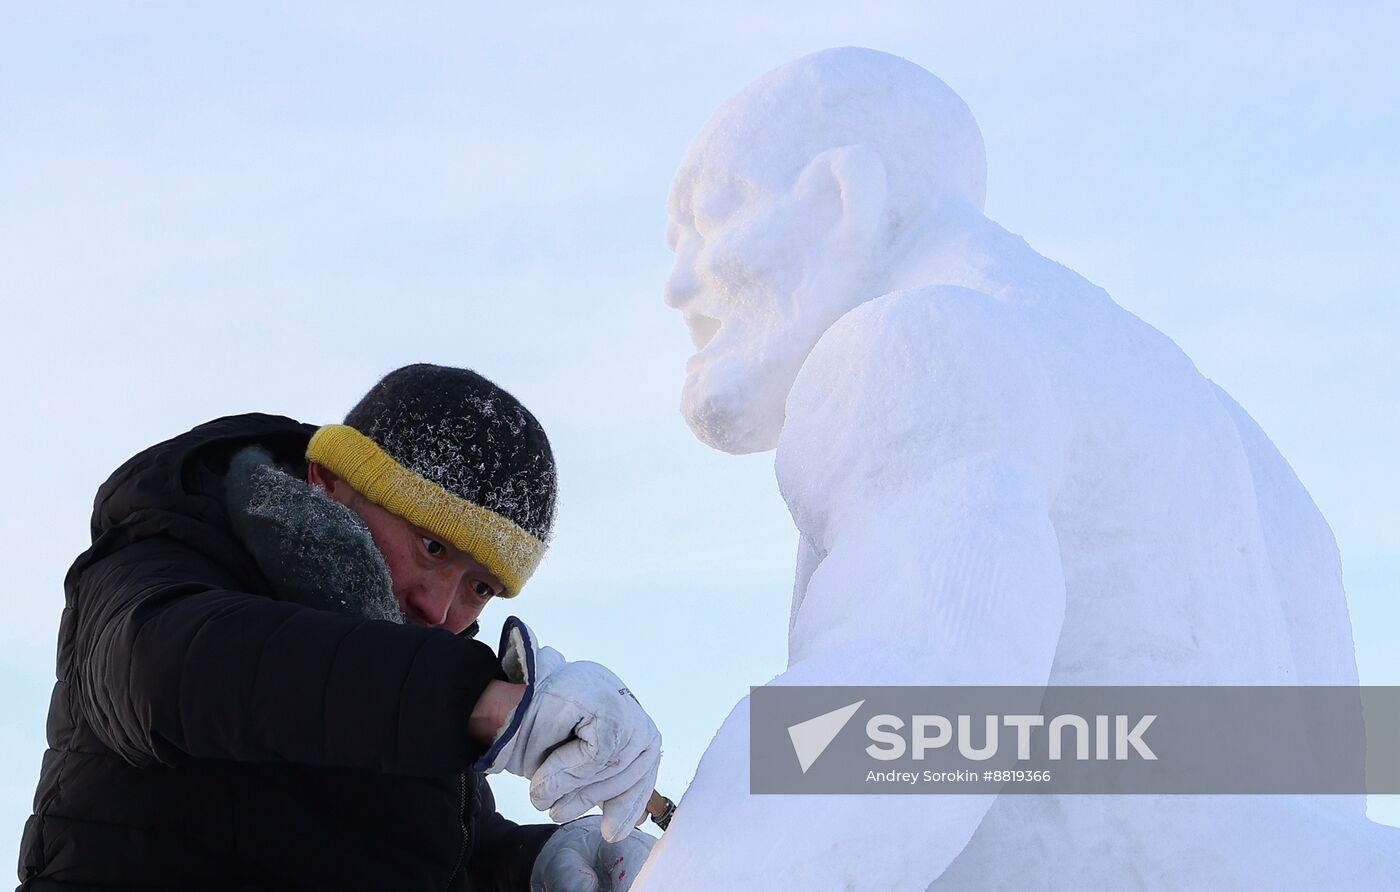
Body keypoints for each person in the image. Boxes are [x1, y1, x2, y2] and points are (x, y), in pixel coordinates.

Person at [631, 47, 1400, 890]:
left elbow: (889, 728)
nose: (676, 287)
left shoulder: (923, 344)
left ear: (841, 199)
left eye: (712, 218)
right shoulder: (1234, 438)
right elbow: (1327, 783)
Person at [19, 363, 659, 891]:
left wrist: (531, 863)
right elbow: (163, 671)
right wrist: (475, 701)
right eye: (432, 547)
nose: (439, 609)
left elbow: (426, 850)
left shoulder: (406, 691)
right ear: (328, 481)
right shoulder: (170, 560)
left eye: (480, 587)